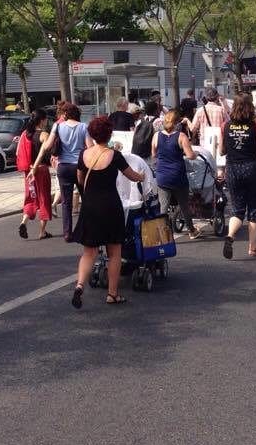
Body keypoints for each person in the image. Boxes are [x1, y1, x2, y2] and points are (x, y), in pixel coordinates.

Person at [70, 115, 145, 308]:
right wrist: (142, 175)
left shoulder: (83, 155)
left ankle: (79, 286)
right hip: (111, 206)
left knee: (89, 252)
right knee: (114, 252)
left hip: (90, 205)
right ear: (109, 134)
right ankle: (112, 294)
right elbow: (132, 176)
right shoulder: (115, 155)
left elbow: (79, 178)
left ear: (92, 135)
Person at [32, 103, 90, 242]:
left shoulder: (57, 126)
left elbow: (48, 145)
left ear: (65, 115)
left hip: (63, 166)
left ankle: (67, 233)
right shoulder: (84, 127)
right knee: (86, 199)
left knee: (66, 202)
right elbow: (90, 147)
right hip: (79, 167)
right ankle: (84, 229)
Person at [219, 93, 256, 260]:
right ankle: (252, 248)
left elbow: (221, 151)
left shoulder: (225, 125)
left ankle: (231, 235)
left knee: (237, 209)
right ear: (250, 107)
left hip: (232, 169)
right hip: (252, 168)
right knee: (254, 209)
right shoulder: (255, 125)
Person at [152, 110, 202, 239]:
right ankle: (192, 230)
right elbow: (190, 156)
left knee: (164, 206)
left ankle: (161, 234)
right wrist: (195, 153)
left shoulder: (156, 136)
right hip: (177, 176)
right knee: (184, 205)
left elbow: (154, 155)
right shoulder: (181, 136)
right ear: (176, 123)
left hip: (162, 176)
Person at [15, 110, 54, 240]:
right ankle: (42, 231)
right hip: (41, 170)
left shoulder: (25, 134)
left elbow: (18, 152)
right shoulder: (44, 135)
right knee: (44, 199)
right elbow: (45, 152)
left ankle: (23, 222)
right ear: (42, 120)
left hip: (28, 170)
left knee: (30, 197)